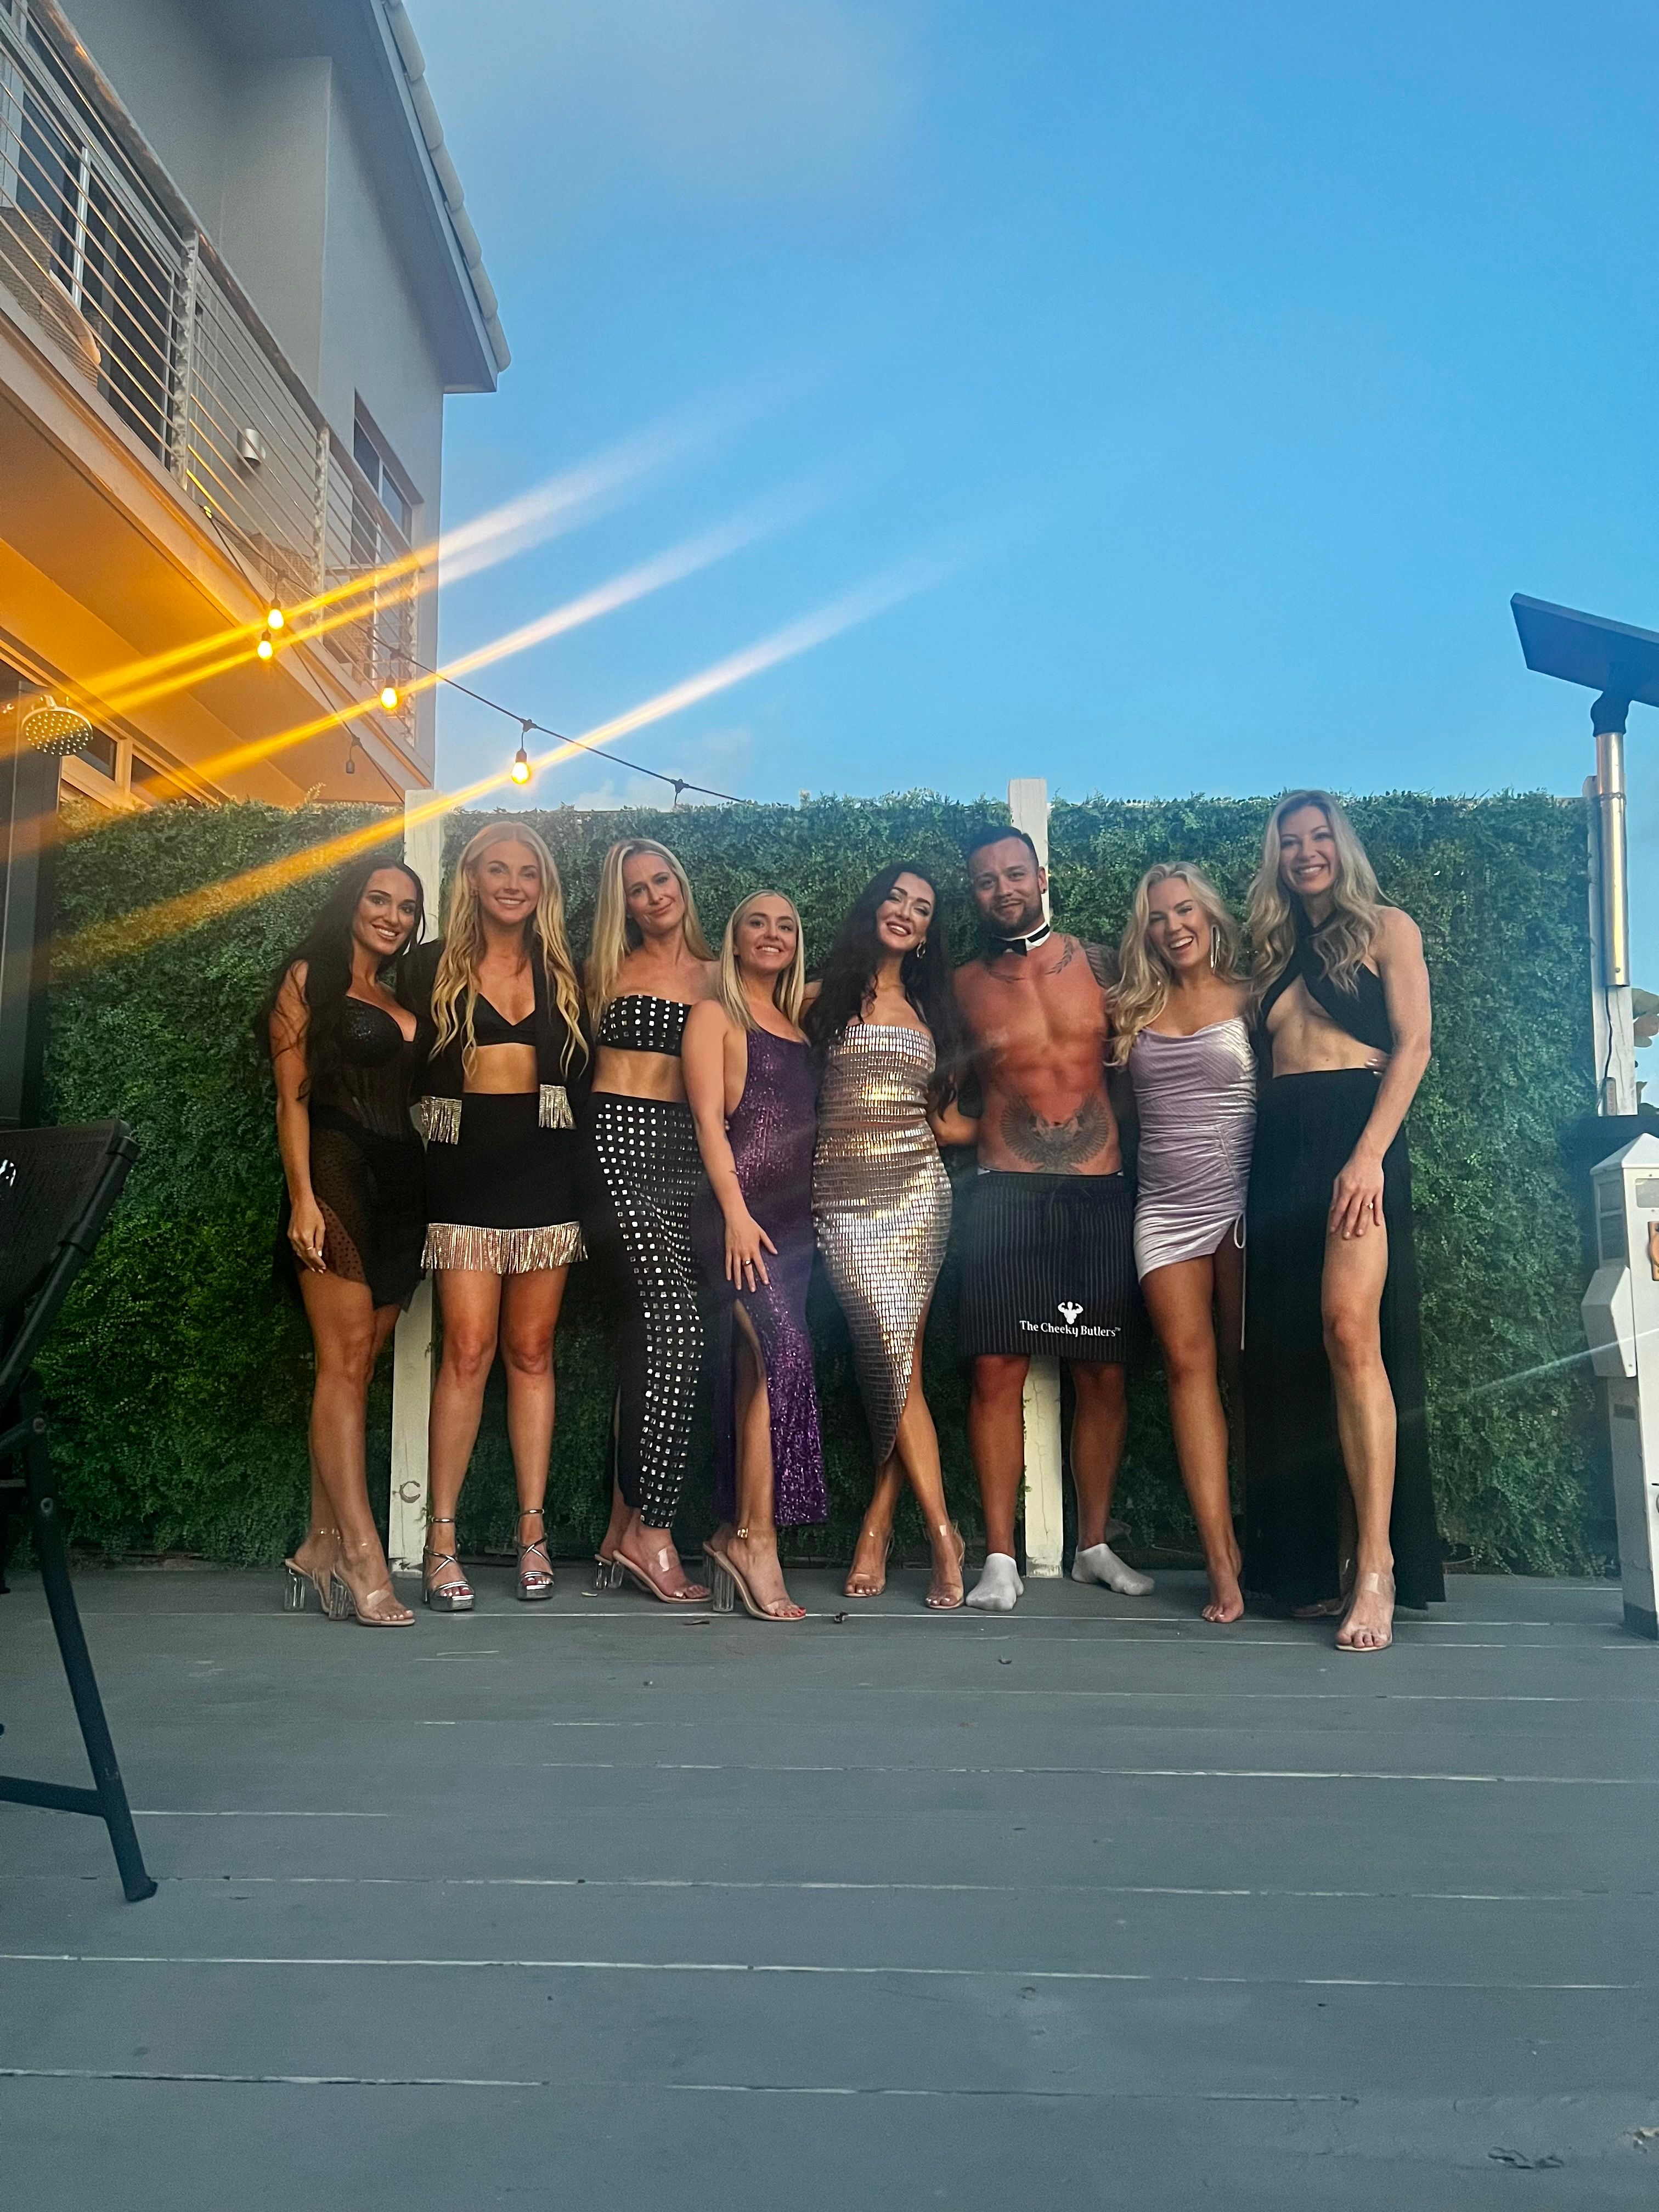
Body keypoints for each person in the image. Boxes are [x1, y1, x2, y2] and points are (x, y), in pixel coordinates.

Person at [1244, 790, 1441, 1654]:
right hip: (1281, 1147)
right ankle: (1309, 1568)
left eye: (1319, 837)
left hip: (1353, 1141)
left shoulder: (1387, 928)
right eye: (1291, 842)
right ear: (1277, 858)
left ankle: (1376, 1567)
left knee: (1350, 1331)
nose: (1306, 852)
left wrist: (1366, 1156)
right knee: (1292, 1352)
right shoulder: (1271, 953)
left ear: (1341, 846)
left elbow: (1416, 1046)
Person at [952, 826, 1153, 1612]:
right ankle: (1000, 1557)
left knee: (1102, 1373)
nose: (1002, 889)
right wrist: (968, 1134)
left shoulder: (1103, 965)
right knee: (994, 1370)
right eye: (985, 881)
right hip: (1005, 1193)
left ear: (1041, 876)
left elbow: (1145, 1071)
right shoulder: (964, 983)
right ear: (974, 895)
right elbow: (936, 1084)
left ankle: (1093, 1547)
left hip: (1102, 1192)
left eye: (1013, 873)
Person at [404, 821, 590, 1611]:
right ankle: (438, 1540)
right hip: (464, 1175)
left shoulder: (566, 972)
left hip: (546, 1175)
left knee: (533, 1351)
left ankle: (531, 1533)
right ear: (472, 879)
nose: (513, 883)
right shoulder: (427, 966)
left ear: (543, 887)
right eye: (497, 869)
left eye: (528, 872)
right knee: (469, 1350)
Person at [807, 863, 976, 1609]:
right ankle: (936, 1530)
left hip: (917, 1195)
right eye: (897, 898)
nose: (906, 913)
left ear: (930, 929)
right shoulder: (818, 999)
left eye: (923, 908)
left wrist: (1018, 1133)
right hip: (839, 1202)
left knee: (898, 1362)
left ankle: (908, 1531)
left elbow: (944, 1122)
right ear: (872, 903)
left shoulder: (933, 1010)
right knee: (886, 1359)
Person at [263, 857, 426, 1628]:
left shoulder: (399, 996)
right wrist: (302, 1199)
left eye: (407, 908)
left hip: (405, 1189)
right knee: (342, 1359)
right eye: (380, 900)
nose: (393, 916)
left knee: (359, 1369)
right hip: (335, 1170)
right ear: (352, 904)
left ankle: (318, 1547)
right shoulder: (309, 978)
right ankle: (364, 1553)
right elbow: (290, 1098)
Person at [1113, 863, 1254, 1623]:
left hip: (1240, 1201)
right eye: (1158, 917)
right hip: (1163, 1209)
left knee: (1246, 1371)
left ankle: (1271, 1540)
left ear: (1211, 914)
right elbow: (1119, 1118)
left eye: (1185, 909)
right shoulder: (1131, 1008)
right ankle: (1220, 1561)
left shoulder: (1253, 996)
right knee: (1186, 1368)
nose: (1174, 926)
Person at [585, 838, 718, 1604]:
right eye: (636, 889)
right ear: (623, 903)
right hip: (615, 1147)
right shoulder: (606, 968)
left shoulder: (717, 973)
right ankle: (653, 1530)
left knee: (650, 1343)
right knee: (680, 1328)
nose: (653, 895)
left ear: (681, 881)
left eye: (662, 879)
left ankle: (617, 1530)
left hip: (687, 1158)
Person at [686, 891, 825, 1620]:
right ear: (733, 941)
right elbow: (709, 1119)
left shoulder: (798, 1023)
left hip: (797, 1226)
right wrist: (735, 1213)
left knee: (757, 1379)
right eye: (756, 924)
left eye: (785, 926)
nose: (771, 934)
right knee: (784, 1357)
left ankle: (731, 1529)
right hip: (741, 1222)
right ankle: (756, 1540)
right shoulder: (717, 1016)